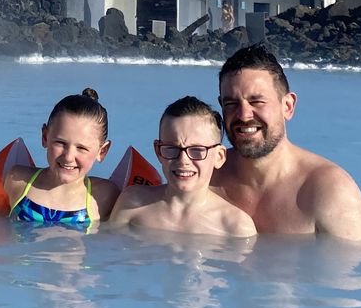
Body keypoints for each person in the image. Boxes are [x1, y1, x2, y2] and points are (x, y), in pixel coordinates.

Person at [212, 44, 361, 241]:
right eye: (231, 104)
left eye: (257, 102)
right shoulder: (206, 177)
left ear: (288, 106)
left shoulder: (329, 190)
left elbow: (354, 260)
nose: (244, 115)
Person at [108, 96, 256, 237]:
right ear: (158, 151)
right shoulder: (132, 203)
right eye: (171, 148)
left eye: (197, 150)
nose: (183, 160)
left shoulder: (236, 227)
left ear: (219, 156)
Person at [2, 88, 120, 229]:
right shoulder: (17, 180)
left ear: (102, 151)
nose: (68, 157)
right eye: (60, 143)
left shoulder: (105, 196)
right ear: (45, 137)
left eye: (81, 148)